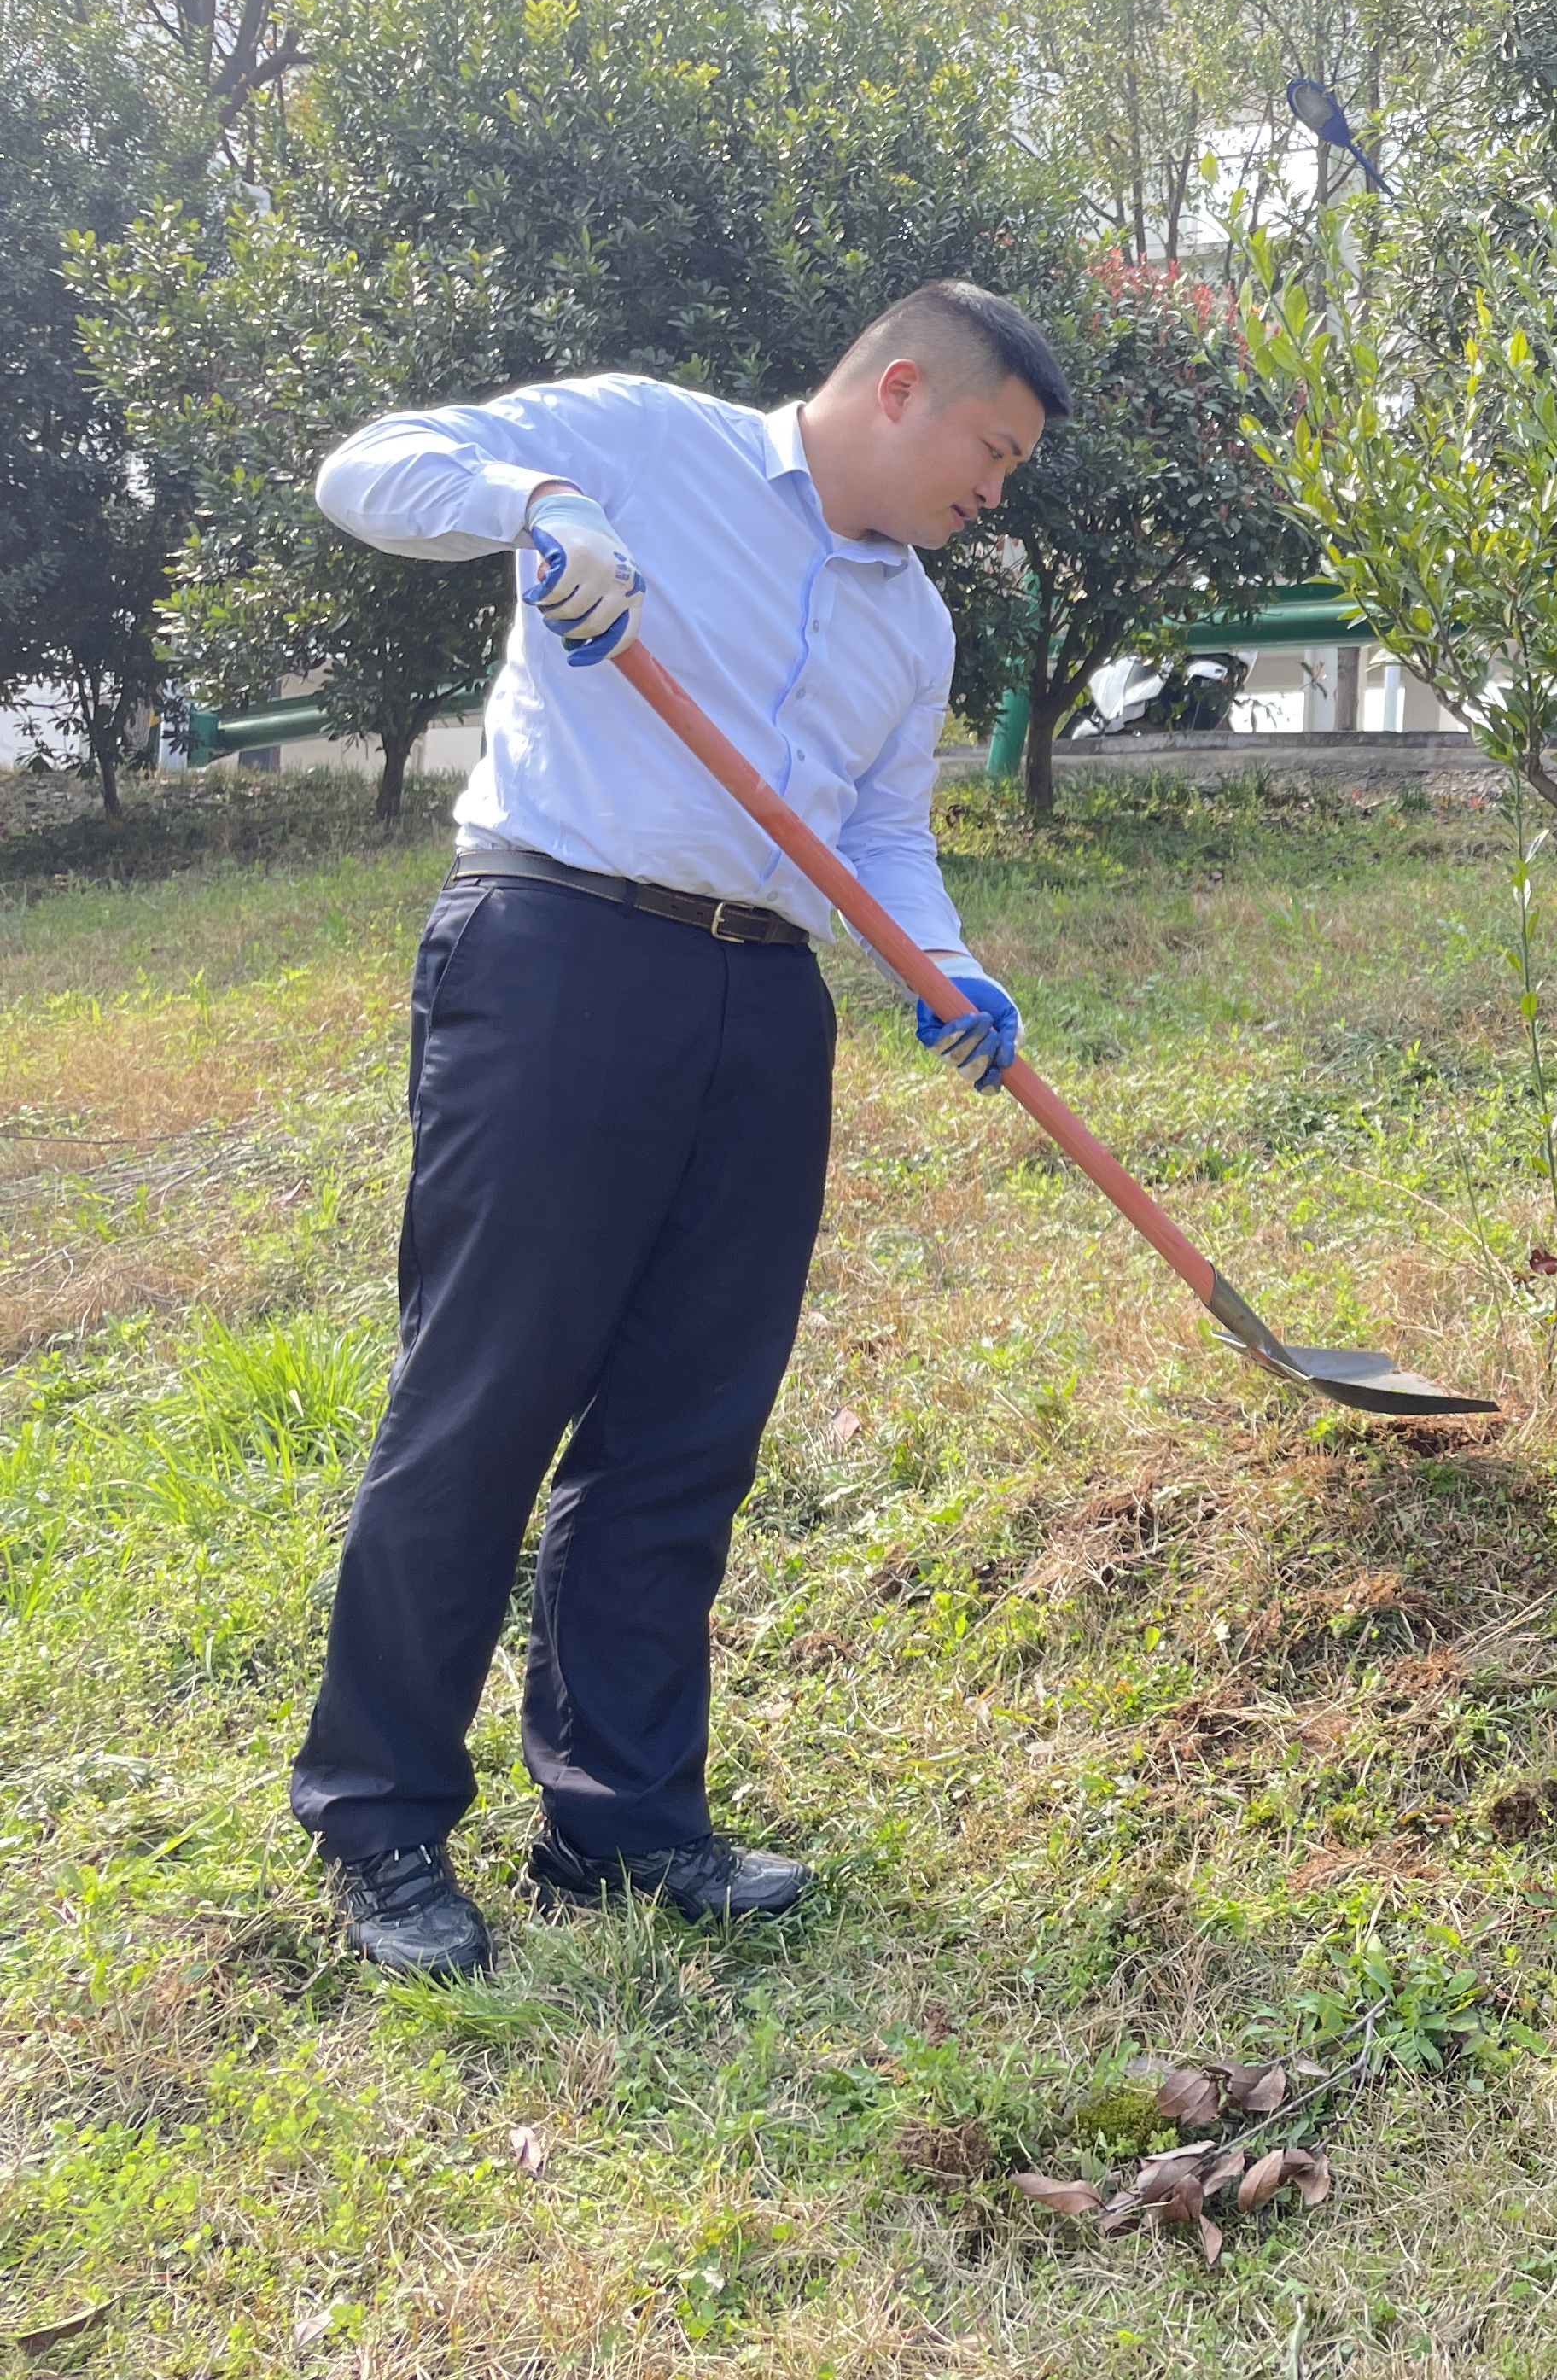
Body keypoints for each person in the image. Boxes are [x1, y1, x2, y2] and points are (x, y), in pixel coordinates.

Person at [291, 282, 1070, 1979]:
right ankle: (379, 1823)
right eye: (992, 450)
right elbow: (367, 465)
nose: (994, 490)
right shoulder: (645, 442)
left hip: (765, 997)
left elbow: (879, 827)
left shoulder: (915, 624)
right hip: (560, 949)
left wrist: (939, 958)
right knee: (486, 1396)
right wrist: (535, 506)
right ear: (902, 386)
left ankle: (620, 1819)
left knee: (685, 1424)